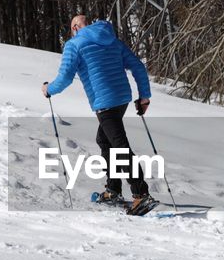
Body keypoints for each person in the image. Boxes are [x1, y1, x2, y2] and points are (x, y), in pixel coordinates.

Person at [43, 14, 156, 214]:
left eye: (71, 28)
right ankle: (113, 189)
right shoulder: (111, 39)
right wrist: (144, 97)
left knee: (120, 147)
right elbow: (138, 66)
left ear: (76, 27)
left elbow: (65, 77)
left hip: (104, 102)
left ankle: (141, 195)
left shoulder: (74, 44)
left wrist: (48, 89)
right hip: (122, 98)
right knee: (104, 140)